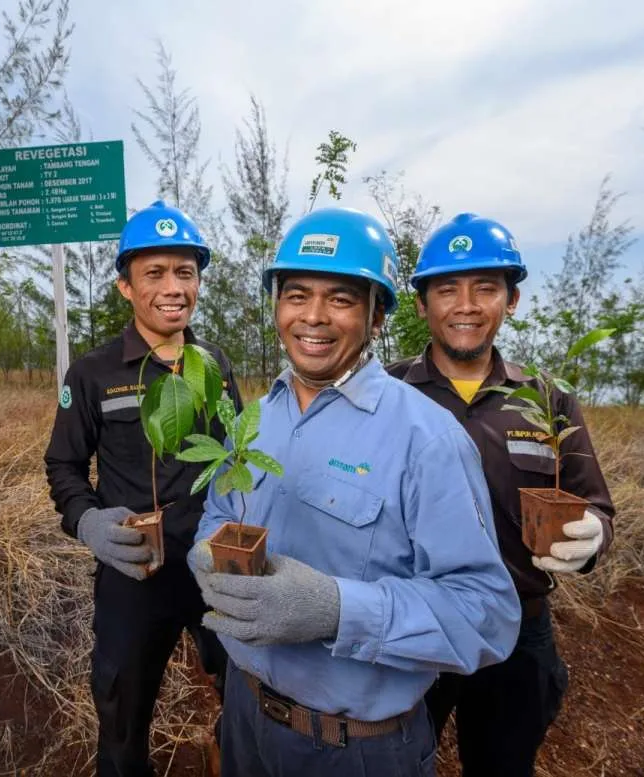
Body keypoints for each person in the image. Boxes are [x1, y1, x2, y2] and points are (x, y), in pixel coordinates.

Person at [188, 207, 521, 777]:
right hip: (244, 716)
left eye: (340, 299)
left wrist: (337, 612)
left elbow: (487, 614)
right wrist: (206, 552)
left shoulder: (428, 439)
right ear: (276, 306)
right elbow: (220, 510)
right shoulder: (254, 419)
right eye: (296, 295)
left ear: (377, 316)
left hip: (353, 748)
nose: (312, 317)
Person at [387, 212, 617, 777]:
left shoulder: (548, 399)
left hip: (518, 629)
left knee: (503, 765)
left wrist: (591, 537)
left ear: (510, 301)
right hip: (414, 624)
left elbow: (596, 503)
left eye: (485, 288)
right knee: (393, 761)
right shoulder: (385, 392)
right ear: (422, 305)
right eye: (447, 289)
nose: (465, 305)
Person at [44, 200, 243, 777]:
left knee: (246, 689)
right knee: (122, 708)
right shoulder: (94, 373)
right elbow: (63, 465)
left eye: (186, 272)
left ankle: (228, 755)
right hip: (136, 570)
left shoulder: (214, 364)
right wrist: (87, 523)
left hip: (213, 564)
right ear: (125, 287)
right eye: (154, 273)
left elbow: (235, 456)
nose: (173, 287)